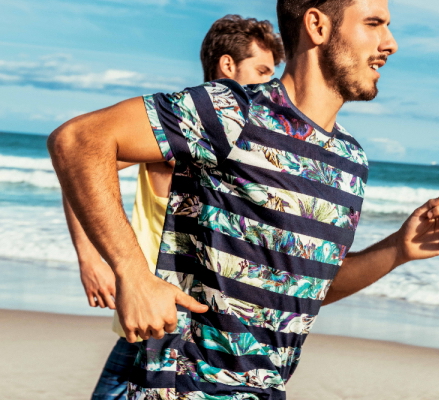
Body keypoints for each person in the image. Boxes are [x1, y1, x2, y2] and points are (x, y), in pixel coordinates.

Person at [49, 0, 439, 399]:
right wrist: (131, 274)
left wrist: (397, 249)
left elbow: (304, 290)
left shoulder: (349, 161)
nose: (390, 43)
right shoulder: (233, 112)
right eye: (374, 24)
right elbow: (79, 141)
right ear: (318, 25)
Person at [60, 14, 285, 400]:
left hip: (195, 322)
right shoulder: (182, 135)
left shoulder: (245, 147)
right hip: (161, 314)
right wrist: (91, 259)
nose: (271, 84)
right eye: (262, 71)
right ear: (228, 65)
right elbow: (79, 162)